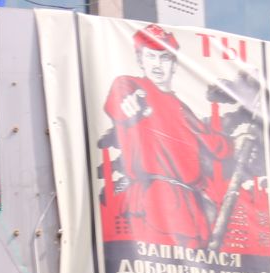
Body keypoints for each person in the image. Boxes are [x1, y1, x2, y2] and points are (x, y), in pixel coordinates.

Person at [101, 25, 248, 249]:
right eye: (151, 56)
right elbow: (119, 98)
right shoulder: (134, 86)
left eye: (165, 58)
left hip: (192, 210)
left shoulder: (184, 109)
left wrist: (239, 141)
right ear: (141, 61)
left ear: (174, 64)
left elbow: (219, 146)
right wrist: (128, 102)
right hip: (156, 203)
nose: (158, 65)